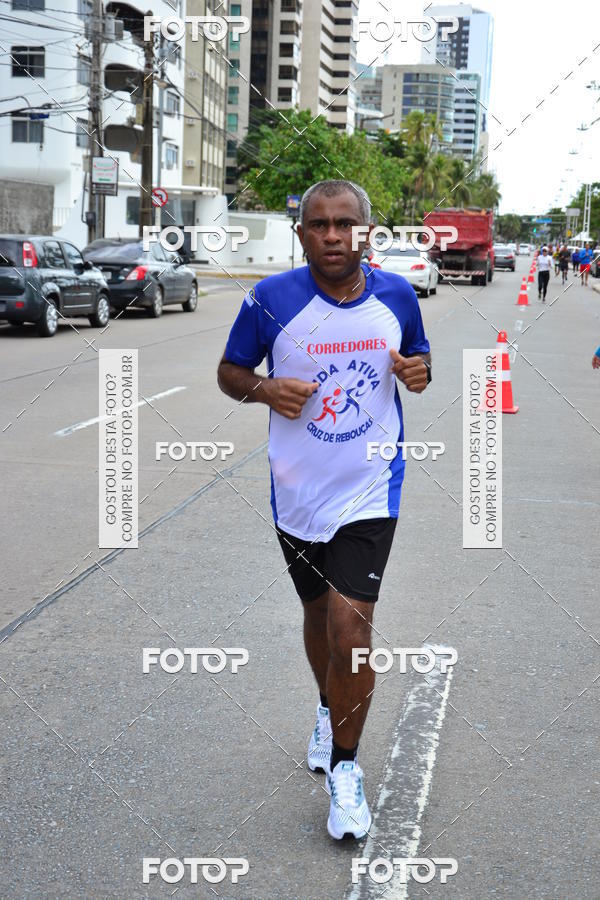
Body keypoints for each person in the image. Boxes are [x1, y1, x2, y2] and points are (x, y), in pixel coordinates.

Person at [217, 179, 431, 841]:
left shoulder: (396, 295)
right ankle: (325, 705)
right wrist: (262, 388)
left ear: (367, 231)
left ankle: (345, 770)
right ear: (301, 232)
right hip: (298, 492)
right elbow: (229, 371)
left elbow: (417, 358)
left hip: (372, 487)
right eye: (318, 224)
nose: (332, 235)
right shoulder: (271, 299)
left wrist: (417, 373)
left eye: (344, 223)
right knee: (316, 616)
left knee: (351, 629)